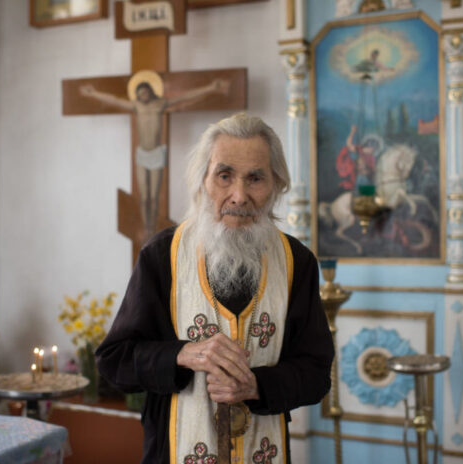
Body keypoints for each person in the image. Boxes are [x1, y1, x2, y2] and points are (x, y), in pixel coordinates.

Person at [96, 113, 334, 463]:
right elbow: (114, 361)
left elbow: (316, 374)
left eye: (255, 178)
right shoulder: (162, 256)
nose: (239, 196)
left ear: (276, 186)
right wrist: (183, 354)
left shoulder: (297, 262)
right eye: (224, 176)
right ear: (202, 181)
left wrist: (256, 386)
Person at [80, 73, 230, 241]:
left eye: (145, 92)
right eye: (140, 93)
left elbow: (185, 97)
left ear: (151, 92)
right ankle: (147, 227)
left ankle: (153, 227)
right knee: (144, 196)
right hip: (142, 154)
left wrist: (211, 88)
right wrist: (93, 93)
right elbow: (114, 100)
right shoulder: (136, 106)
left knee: (154, 196)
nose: (142, 96)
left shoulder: (160, 104)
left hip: (157, 154)